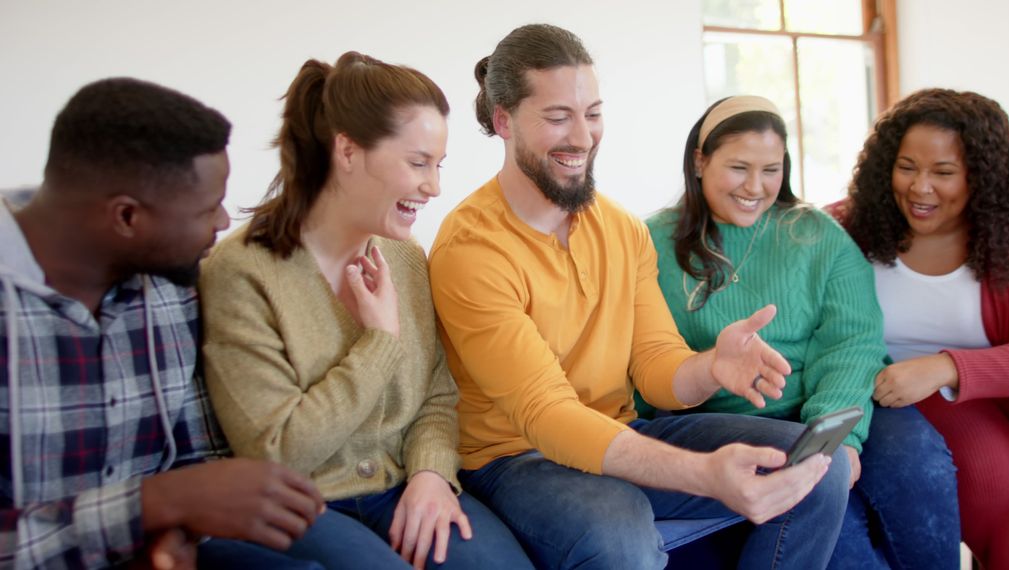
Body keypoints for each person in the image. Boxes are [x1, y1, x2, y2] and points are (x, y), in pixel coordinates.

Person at [428, 24, 849, 569]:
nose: (583, 136)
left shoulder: (621, 228)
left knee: (820, 467)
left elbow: (654, 366)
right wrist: (705, 474)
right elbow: (547, 413)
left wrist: (712, 367)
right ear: (504, 120)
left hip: (620, 427)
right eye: (558, 117)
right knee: (618, 532)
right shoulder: (471, 248)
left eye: (593, 113)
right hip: (515, 456)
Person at [198, 52, 532, 570]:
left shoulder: (403, 255)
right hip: (301, 502)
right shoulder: (241, 271)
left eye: (437, 166)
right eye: (418, 163)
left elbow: (437, 395)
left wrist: (430, 473)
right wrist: (377, 344)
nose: (434, 187)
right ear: (348, 152)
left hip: (399, 484)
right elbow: (276, 451)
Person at [0, 78, 325, 569]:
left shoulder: (174, 286)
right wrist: (152, 505)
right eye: (204, 208)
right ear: (127, 217)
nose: (221, 222)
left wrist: (173, 532)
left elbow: (200, 458)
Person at [641, 95, 959, 569]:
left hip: (834, 405)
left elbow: (853, 343)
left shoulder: (816, 233)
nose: (756, 186)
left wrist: (839, 439)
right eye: (739, 167)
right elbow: (646, 366)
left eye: (771, 169)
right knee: (846, 545)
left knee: (922, 470)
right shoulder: (651, 243)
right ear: (700, 160)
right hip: (737, 422)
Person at [835, 87, 1009, 569]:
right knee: (995, 486)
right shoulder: (846, 227)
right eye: (907, 167)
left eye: (943, 173)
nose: (920, 188)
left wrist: (946, 367)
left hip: (1007, 381)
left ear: (982, 177)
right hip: (904, 385)